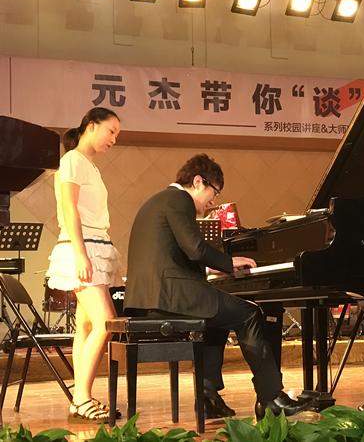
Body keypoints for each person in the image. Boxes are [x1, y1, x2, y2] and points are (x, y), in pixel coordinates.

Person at [124, 154, 309, 419]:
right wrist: (229, 262)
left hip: (150, 298)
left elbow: (173, 255)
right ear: (198, 181)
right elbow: (195, 248)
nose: (213, 201)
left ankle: (208, 397)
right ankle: (271, 397)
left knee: (218, 318)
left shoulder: (159, 201)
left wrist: (212, 268)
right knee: (249, 313)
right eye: (214, 191)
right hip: (169, 296)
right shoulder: (179, 200)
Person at [46, 107, 122, 423]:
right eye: (111, 131)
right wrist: (80, 254)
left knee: (88, 326)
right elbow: (70, 209)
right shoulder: (73, 160)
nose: (114, 139)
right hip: (81, 247)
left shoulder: (88, 165)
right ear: (91, 125)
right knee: (106, 322)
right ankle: (81, 398)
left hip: (94, 246)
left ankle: (81, 396)